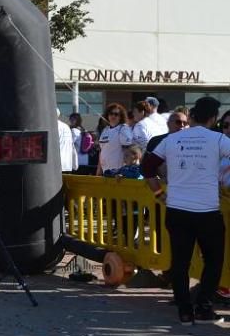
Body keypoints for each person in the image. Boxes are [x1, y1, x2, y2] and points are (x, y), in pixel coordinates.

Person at [142, 96, 230, 324]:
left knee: (180, 262)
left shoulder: (173, 139)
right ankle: (203, 307)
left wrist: (158, 193)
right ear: (214, 118)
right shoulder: (219, 139)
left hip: (177, 209)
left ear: (191, 115)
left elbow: (148, 166)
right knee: (213, 260)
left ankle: (184, 310)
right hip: (208, 211)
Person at [96, 103, 133, 176]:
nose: (113, 116)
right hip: (105, 171)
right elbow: (101, 151)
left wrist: (125, 171)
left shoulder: (123, 129)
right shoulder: (105, 130)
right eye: (111, 113)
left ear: (120, 116)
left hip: (118, 173)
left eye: (116, 114)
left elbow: (128, 151)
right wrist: (98, 170)